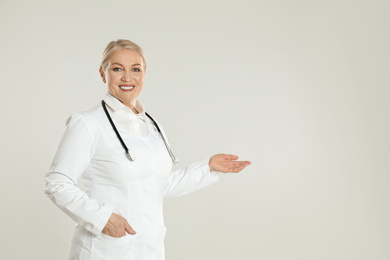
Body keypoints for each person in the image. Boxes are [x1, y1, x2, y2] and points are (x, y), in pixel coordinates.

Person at [44, 39, 251, 260]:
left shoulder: (152, 126)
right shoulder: (87, 123)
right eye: (117, 69)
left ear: (144, 73)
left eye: (135, 69)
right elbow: (57, 183)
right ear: (103, 74)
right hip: (104, 250)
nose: (127, 77)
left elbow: (157, 185)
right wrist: (102, 219)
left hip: (148, 250)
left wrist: (208, 168)